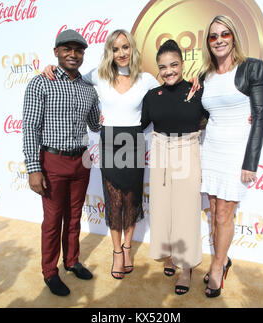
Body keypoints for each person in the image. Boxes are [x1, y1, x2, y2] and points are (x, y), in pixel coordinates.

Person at [43, 29, 159, 280]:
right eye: (115, 49)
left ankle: (128, 247)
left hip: (134, 141)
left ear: (132, 49)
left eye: (125, 47)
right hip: (109, 141)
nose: (121, 53)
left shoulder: (146, 79)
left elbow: (167, 96)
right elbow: (70, 77)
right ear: (109, 52)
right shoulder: (98, 75)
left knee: (132, 200)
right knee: (114, 200)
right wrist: (49, 68)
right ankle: (117, 252)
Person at [23, 29, 102, 296]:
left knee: (74, 217)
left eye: (78, 50)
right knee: (53, 220)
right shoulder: (40, 83)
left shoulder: (88, 89)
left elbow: (94, 124)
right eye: (67, 49)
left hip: (81, 161)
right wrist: (34, 169)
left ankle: (71, 261)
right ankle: (50, 271)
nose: (73, 54)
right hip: (52, 161)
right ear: (56, 52)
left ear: (83, 55)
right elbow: (30, 128)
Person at [199, 15, 263, 298]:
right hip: (212, 148)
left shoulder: (251, 68)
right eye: (213, 36)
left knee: (225, 214)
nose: (219, 40)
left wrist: (250, 163)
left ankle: (217, 267)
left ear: (233, 37)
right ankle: (223, 258)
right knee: (214, 211)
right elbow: (204, 116)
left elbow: (261, 116)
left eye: (224, 34)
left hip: (237, 150)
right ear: (208, 42)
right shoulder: (205, 76)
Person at [141, 40, 208, 295]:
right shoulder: (152, 96)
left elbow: (212, 117)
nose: (169, 71)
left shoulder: (196, 91)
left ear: (182, 64)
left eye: (174, 65)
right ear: (158, 69)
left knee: (186, 210)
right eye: (163, 67)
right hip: (160, 152)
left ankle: (185, 268)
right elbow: (139, 125)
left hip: (187, 151)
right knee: (162, 208)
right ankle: (168, 254)